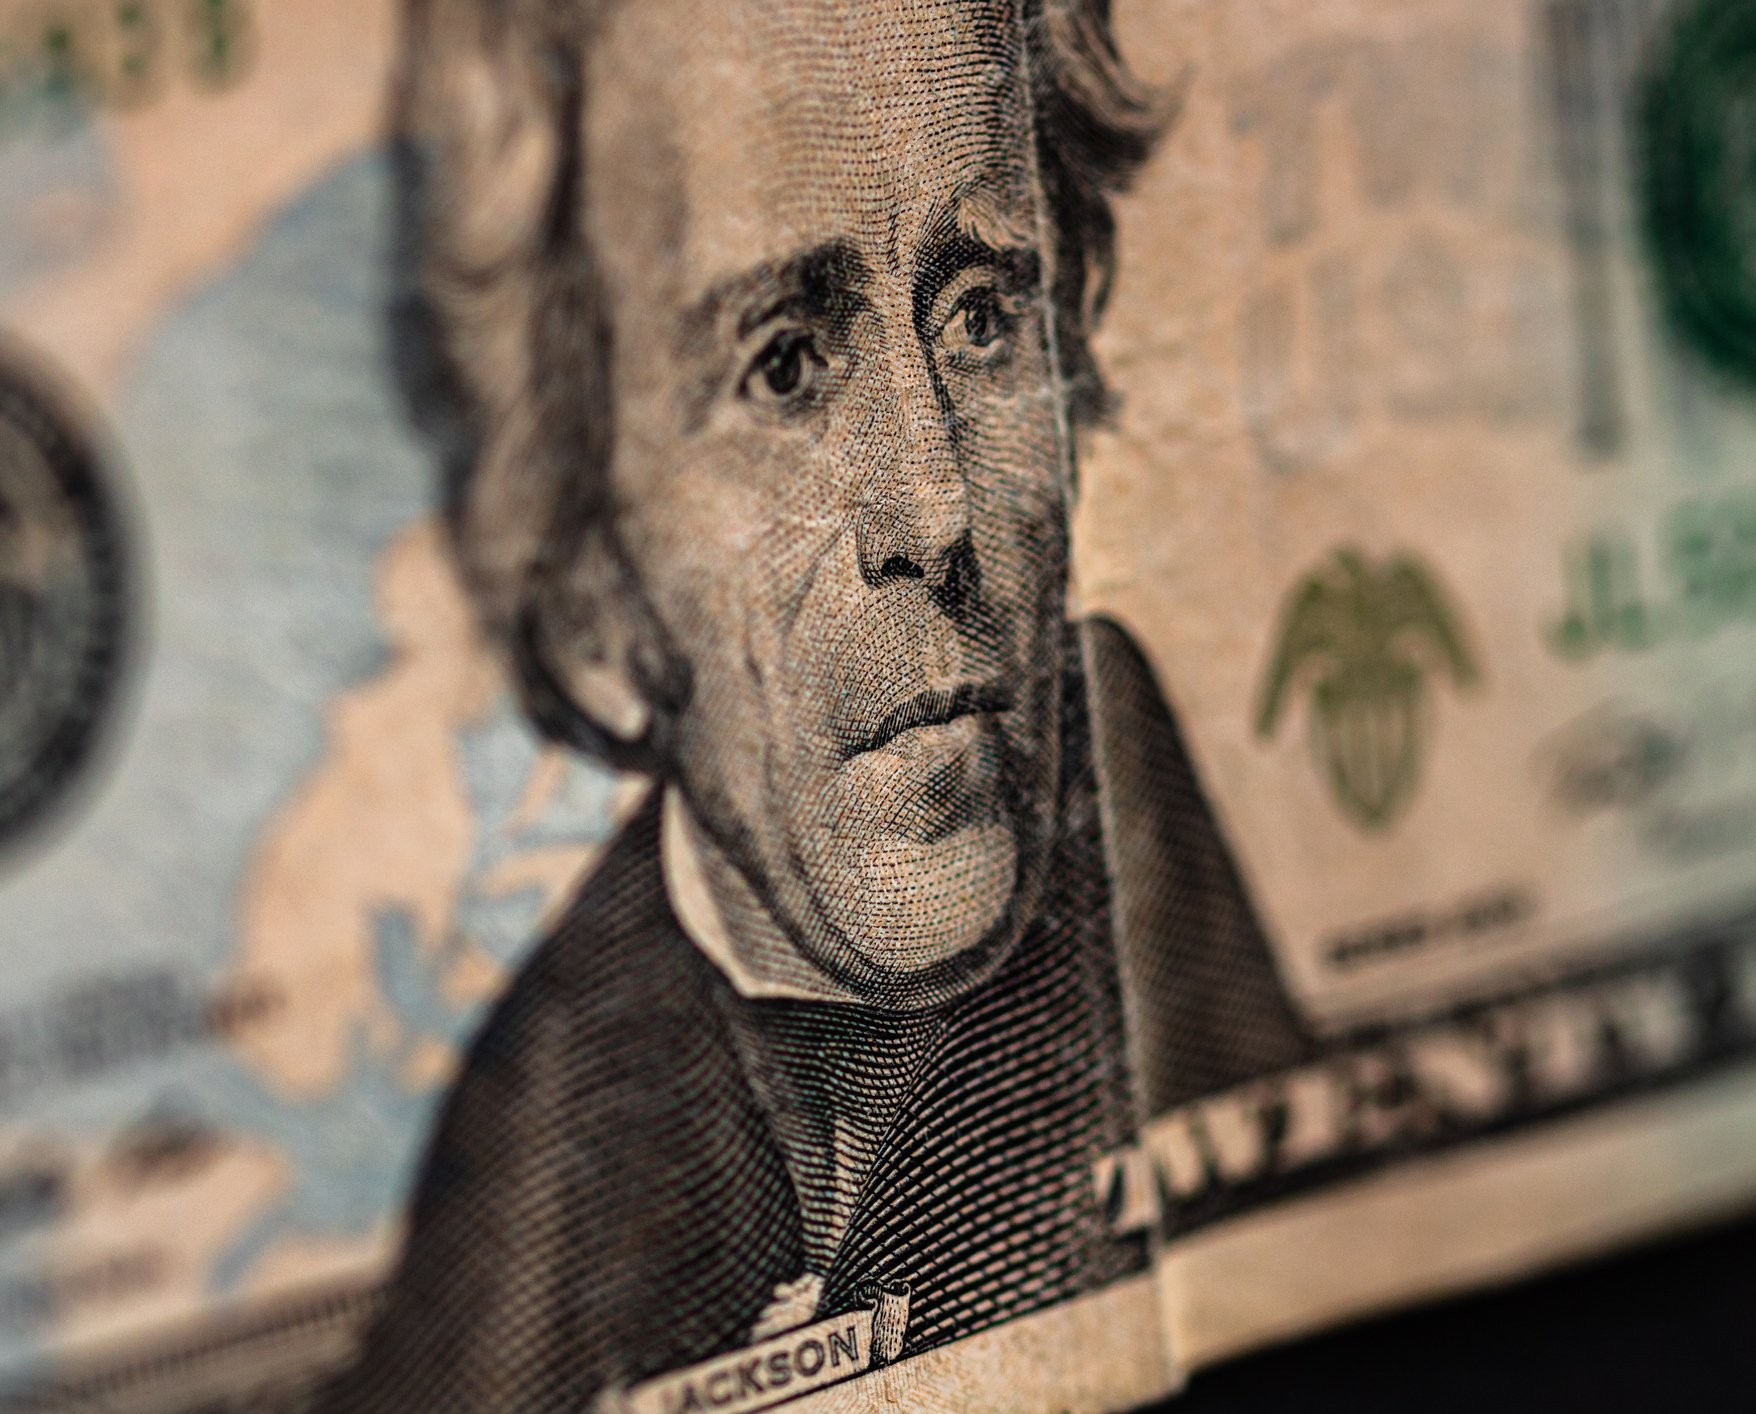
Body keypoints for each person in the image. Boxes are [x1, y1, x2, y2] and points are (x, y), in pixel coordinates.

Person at [323, 1, 1314, 1407]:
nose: (935, 501)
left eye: (982, 318)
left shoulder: (1148, 837)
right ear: (588, 550)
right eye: (784, 364)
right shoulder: (526, 1152)